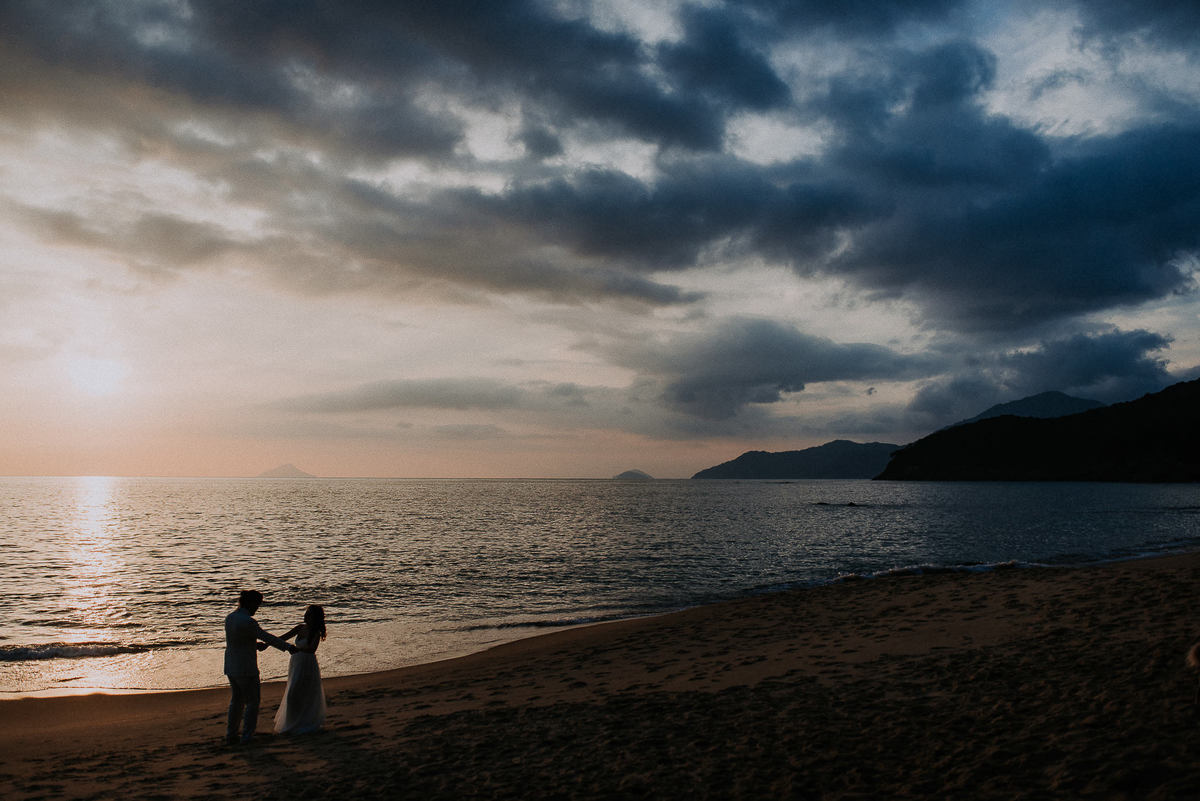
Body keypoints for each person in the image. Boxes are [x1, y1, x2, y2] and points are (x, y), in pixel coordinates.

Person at [224, 589, 296, 745]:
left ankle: (231, 734)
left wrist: (254, 644)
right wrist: (288, 647)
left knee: (236, 701)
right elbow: (266, 636)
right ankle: (247, 736)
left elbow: (238, 639)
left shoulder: (230, 618)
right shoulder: (249, 622)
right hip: (246, 667)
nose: (257, 608)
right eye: (257, 605)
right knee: (252, 702)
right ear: (250, 603)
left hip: (230, 665)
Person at [274, 604, 328, 735]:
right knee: (293, 692)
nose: (306, 616)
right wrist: (268, 643)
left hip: (307, 663)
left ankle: (303, 722)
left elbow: (311, 649)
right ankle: (292, 721)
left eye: (309, 614)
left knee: (300, 692)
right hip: (296, 662)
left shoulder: (316, 632)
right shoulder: (300, 628)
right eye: (306, 613)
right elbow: (283, 638)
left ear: (315, 617)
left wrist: (295, 649)